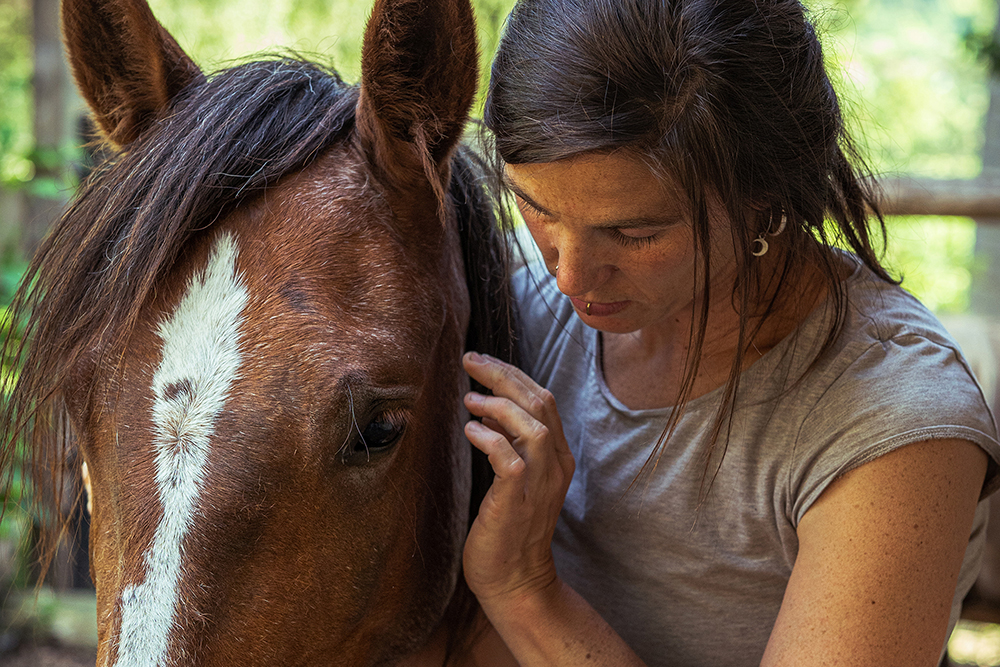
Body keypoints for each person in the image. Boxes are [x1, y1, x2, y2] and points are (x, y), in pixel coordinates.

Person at [456, 0, 1000, 665]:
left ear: (762, 196)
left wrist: (522, 590)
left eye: (635, 233)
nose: (568, 276)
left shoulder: (892, 425)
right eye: (535, 208)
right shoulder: (516, 296)